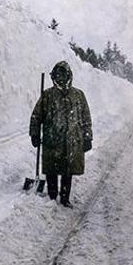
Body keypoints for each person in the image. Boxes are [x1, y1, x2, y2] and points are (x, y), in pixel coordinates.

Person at [29, 61, 92, 208]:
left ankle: (64, 199)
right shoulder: (47, 96)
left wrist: (87, 137)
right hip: (52, 141)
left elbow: (86, 118)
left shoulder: (78, 95)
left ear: (69, 76)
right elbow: (36, 116)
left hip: (71, 142)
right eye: (57, 75)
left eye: (63, 75)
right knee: (51, 170)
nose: (60, 78)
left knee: (67, 171)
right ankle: (51, 198)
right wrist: (35, 134)